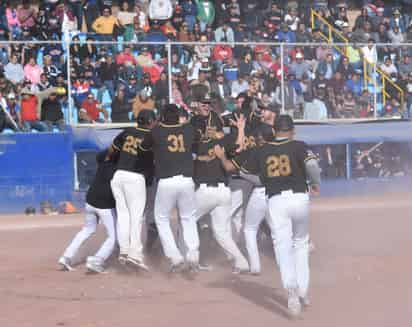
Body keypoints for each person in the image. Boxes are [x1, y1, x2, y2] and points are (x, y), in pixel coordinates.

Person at [214, 115, 321, 317]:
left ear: (275, 131)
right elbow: (313, 166)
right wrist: (315, 182)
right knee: (300, 244)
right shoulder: (299, 145)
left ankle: (291, 291)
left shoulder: (262, 151)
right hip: (299, 197)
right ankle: (303, 291)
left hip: (276, 201)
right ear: (292, 130)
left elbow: (244, 173)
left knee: (282, 246)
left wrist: (263, 179)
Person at [140, 104, 200, 272]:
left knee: (161, 218)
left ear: (163, 117)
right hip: (187, 180)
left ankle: (174, 256)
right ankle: (193, 253)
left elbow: (143, 147)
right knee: (188, 218)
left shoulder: (157, 131)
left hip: (166, 181)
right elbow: (197, 140)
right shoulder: (188, 129)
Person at [58, 149, 118, 274]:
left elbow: (103, 154)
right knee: (114, 236)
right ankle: (97, 260)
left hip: (90, 201)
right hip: (104, 204)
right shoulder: (119, 169)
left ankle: (66, 257)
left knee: (87, 230)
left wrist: (114, 148)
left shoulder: (103, 162)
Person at [111, 110, 156, 270]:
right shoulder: (150, 136)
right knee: (136, 217)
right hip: (135, 177)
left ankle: (123, 251)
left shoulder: (127, 131)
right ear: (150, 121)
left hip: (118, 175)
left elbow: (113, 149)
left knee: (123, 216)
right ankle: (134, 255)